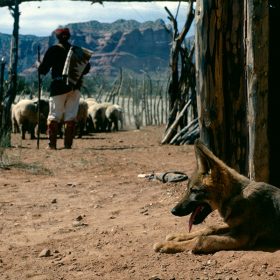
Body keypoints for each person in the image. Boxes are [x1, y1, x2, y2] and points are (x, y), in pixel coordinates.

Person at [38, 27, 91, 149]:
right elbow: (86, 68)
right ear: (69, 37)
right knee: (71, 116)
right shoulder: (78, 51)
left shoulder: (54, 50)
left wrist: (39, 66)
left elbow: (43, 69)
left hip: (58, 88)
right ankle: (68, 144)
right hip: (75, 87)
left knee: (54, 115)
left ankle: (52, 145)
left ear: (57, 37)